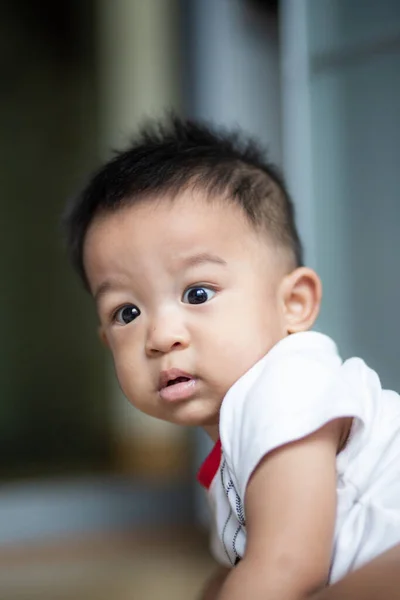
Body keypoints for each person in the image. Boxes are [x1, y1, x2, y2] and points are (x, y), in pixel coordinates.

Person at [63, 116, 400, 600]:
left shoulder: (289, 383)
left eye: (197, 293)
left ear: (294, 303)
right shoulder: (233, 447)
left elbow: (287, 564)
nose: (160, 336)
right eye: (127, 311)